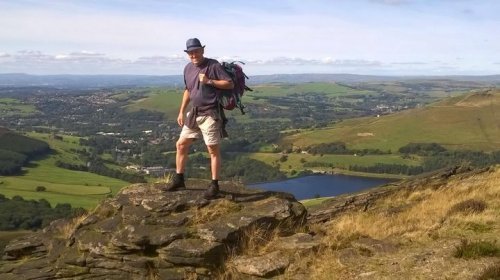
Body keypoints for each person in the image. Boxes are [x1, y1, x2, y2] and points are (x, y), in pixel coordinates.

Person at [164, 38, 234, 199]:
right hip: (194, 113)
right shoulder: (188, 68)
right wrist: (181, 111)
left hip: (210, 113)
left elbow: (229, 84)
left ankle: (214, 185)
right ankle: (179, 179)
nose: (193, 54)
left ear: (202, 50)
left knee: (212, 149)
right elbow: (188, 90)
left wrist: (209, 81)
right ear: (188, 54)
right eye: (190, 52)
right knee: (181, 144)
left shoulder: (213, 65)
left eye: (196, 51)